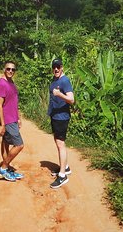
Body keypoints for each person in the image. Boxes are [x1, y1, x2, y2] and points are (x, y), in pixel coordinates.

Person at [0, 61, 24, 182]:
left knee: (6, 142)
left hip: (13, 117)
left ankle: (6, 169)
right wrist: (3, 124)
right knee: (19, 145)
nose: (11, 71)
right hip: (7, 119)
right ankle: (3, 167)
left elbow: (14, 101)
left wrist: (19, 117)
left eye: (13, 69)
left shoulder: (11, 82)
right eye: (8, 69)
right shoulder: (2, 84)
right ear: (4, 69)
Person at [48, 58, 74, 189]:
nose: (56, 69)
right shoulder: (55, 79)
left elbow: (71, 99)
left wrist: (59, 94)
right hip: (55, 117)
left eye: (58, 67)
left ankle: (63, 176)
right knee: (58, 142)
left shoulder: (65, 80)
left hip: (62, 117)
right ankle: (66, 167)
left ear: (62, 67)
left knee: (60, 144)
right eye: (54, 67)